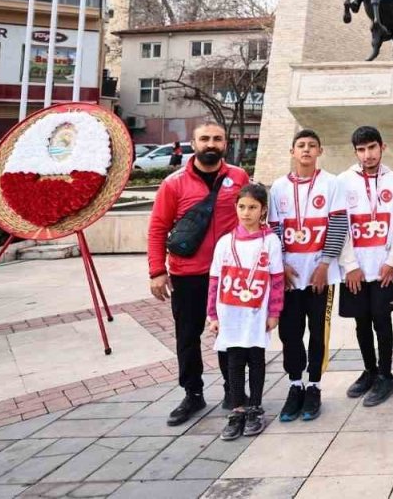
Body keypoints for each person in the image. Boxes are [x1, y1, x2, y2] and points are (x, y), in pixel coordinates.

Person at [148, 120, 250, 427]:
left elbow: (253, 216)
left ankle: (233, 390)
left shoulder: (238, 176)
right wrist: (156, 271)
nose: (211, 144)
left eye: (217, 139)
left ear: (225, 143)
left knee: (230, 335)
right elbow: (158, 227)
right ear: (194, 144)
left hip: (229, 273)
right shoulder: (174, 183)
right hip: (187, 273)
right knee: (188, 336)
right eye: (204, 139)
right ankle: (192, 393)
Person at [267, 130, 345, 422]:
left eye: (312, 145)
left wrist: (325, 264)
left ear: (320, 151)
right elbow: (273, 229)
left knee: (317, 332)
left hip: (319, 276)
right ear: (292, 151)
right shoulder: (278, 187)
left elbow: (338, 225)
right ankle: (294, 384)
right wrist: (281, 265)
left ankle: (314, 386)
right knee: (290, 333)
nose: (306, 150)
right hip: (288, 276)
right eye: (301, 145)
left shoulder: (331, 183)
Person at [336, 126, 393, 408]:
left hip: (383, 268)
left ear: (382, 147)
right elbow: (341, 227)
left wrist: (392, 261)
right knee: (361, 321)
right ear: (355, 152)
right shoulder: (343, 181)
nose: (368, 155)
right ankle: (370, 370)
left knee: (383, 320)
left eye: (372, 148)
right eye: (362, 150)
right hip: (356, 269)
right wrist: (350, 265)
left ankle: (386, 376)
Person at [207, 183, 284, 440]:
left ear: (263, 211)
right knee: (234, 361)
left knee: (256, 359)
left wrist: (274, 312)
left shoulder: (270, 242)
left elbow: (277, 280)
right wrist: (213, 315)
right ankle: (238, 408)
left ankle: (255, 408)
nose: (246, 212)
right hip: (230, 315)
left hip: (256, 314)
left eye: (253, 207)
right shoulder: (225, 243)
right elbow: (215, 281)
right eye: (242, 207)